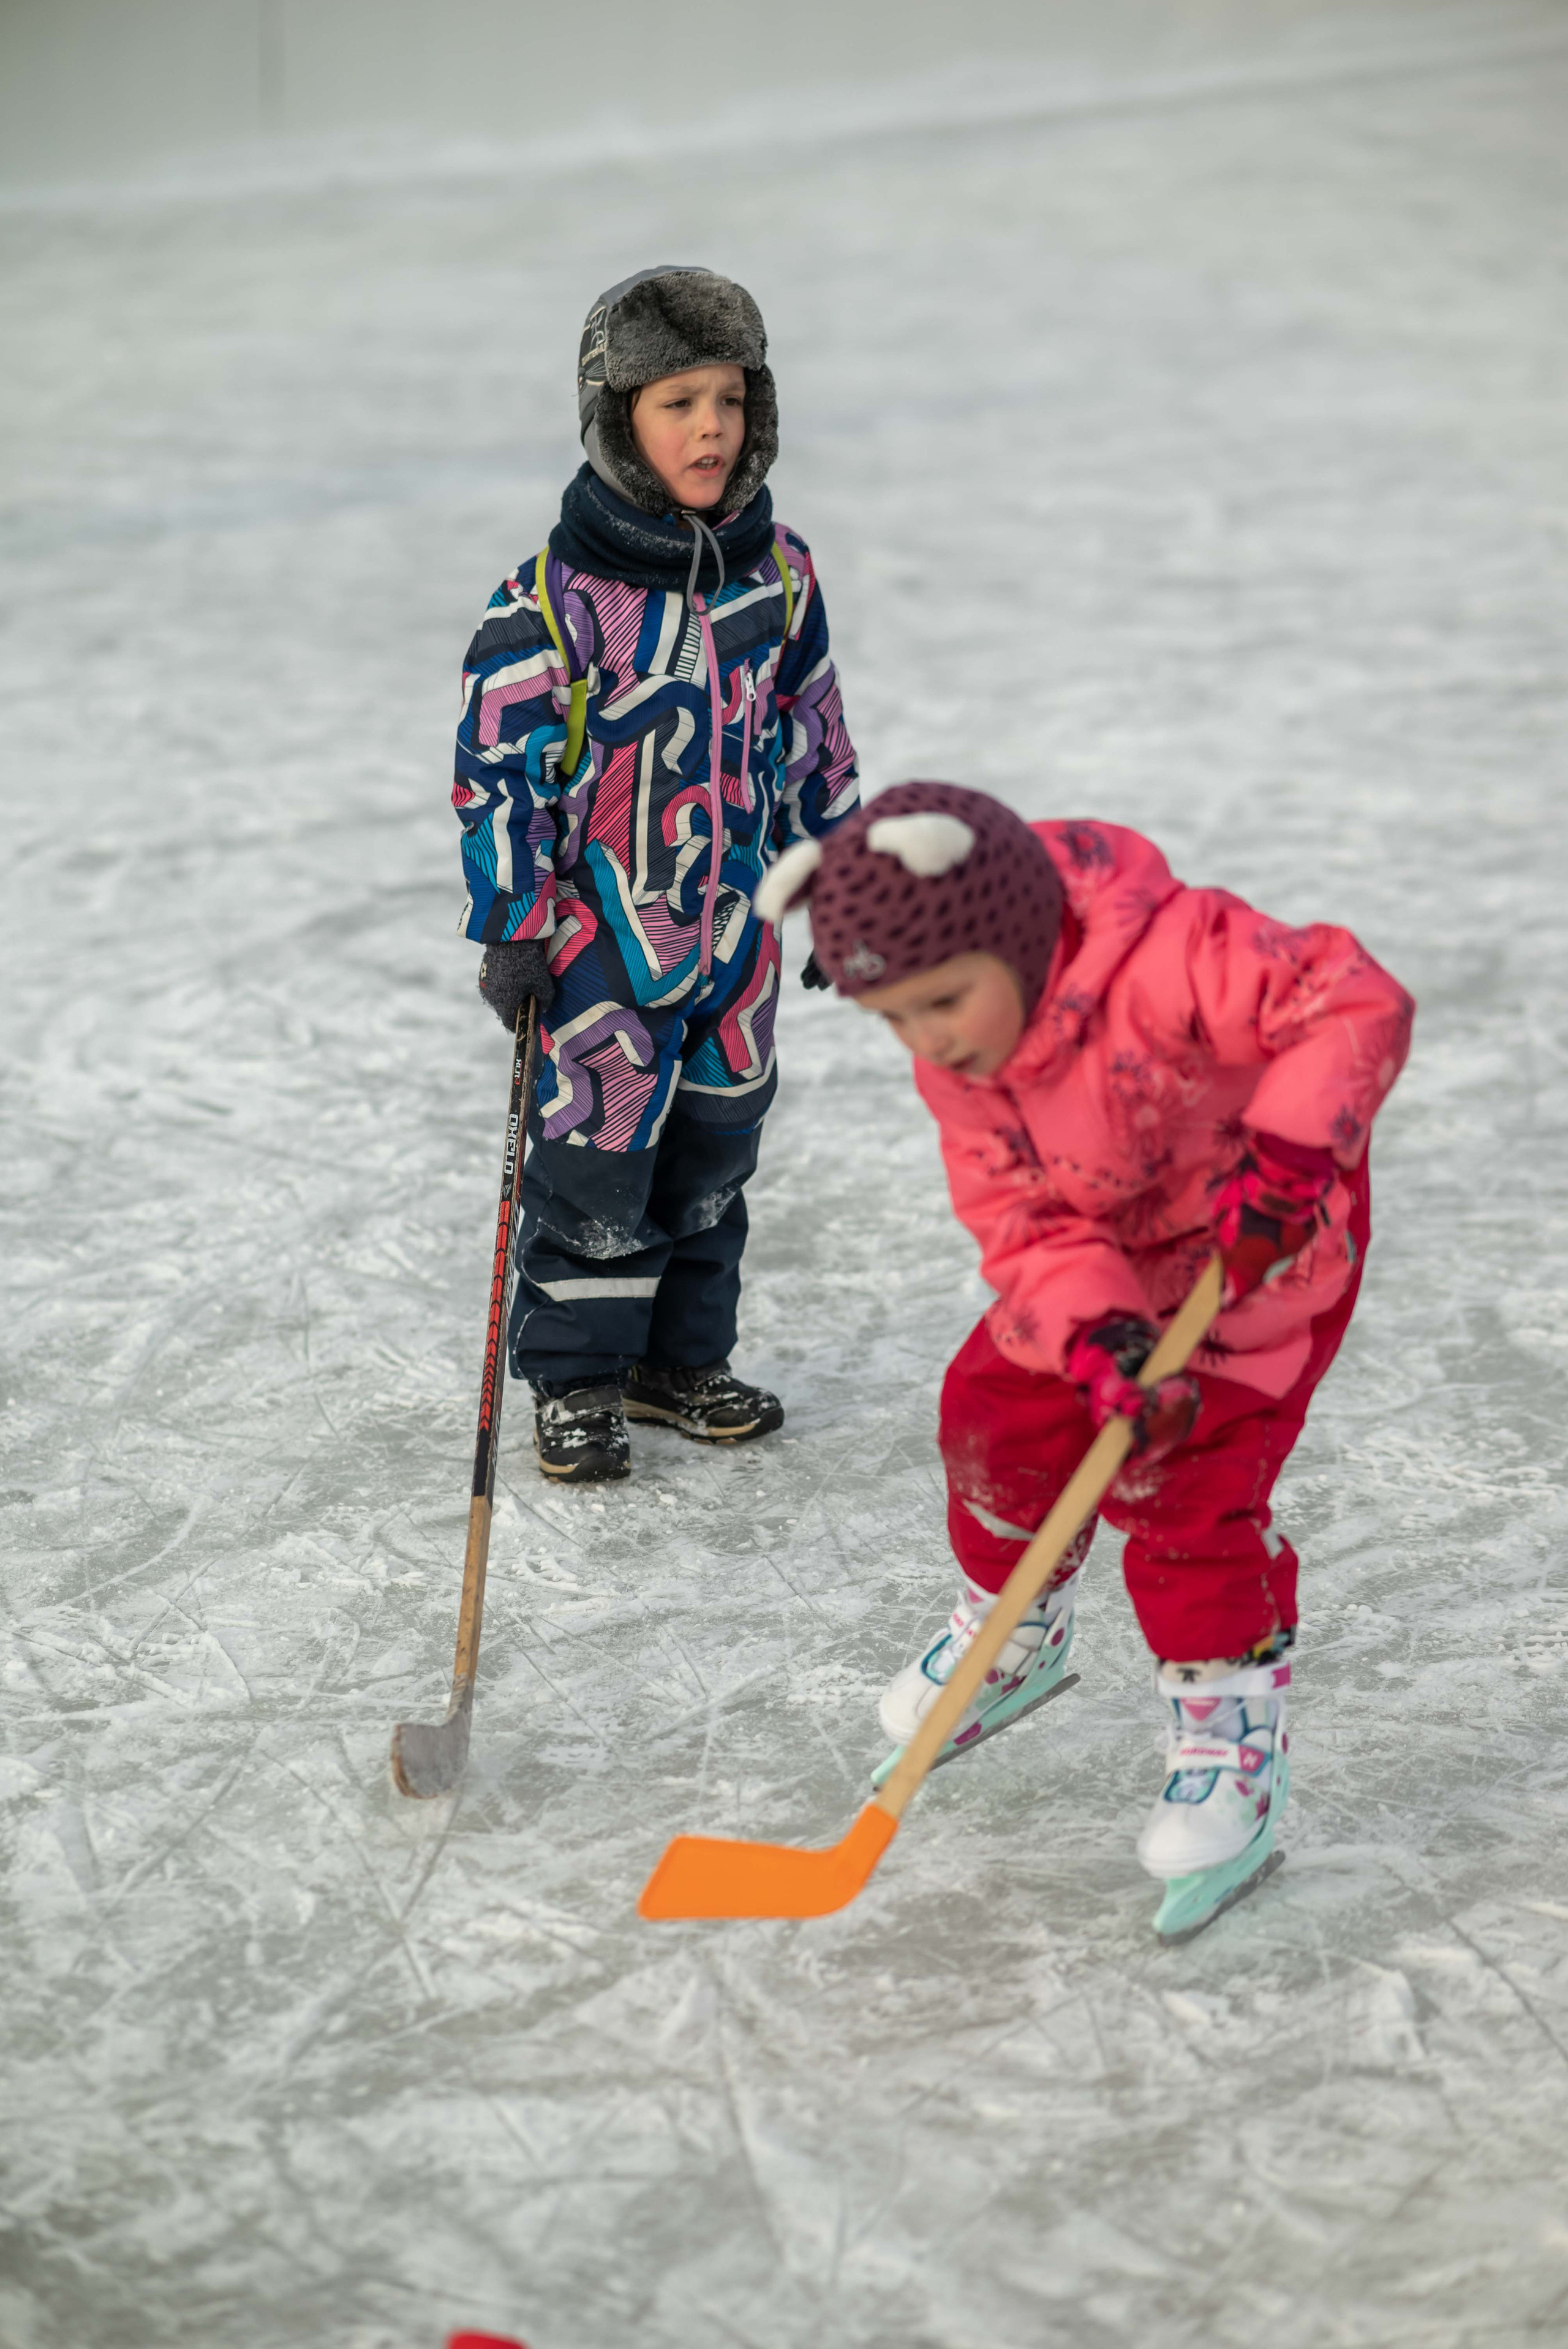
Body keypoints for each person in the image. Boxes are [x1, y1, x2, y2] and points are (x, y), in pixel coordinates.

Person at [755, 782, 1413, 1934]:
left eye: (945, 1001)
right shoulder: (960, 1060)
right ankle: (1013, 1626)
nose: (930, 1040)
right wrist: (1101, 1335)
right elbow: (1024, 1227)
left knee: (1186, 1490)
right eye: (896, 1019)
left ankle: (1228, 1729)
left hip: (1257, 1249)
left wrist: (1297, 1145)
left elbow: (1351, 998)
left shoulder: (1172, 954)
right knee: (992, 1417)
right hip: (1107, 1258)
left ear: (1012, 937)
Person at [451, 268, 858, 1481]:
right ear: (616, 415)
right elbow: (497, 770)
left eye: (729, 399)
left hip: (736, 944)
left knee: (711, 1159)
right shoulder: (552, 604)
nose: (709, 428)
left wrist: (834, 874)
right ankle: (575, 1380)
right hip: (602, 953)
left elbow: (813, 729)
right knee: (595, 1166)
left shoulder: (776, 576)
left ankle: (676, 1359)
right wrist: (515, 924)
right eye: (676, 401)